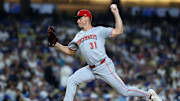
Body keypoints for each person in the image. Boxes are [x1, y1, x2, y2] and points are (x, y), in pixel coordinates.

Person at [47, 4, 162, 101]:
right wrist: (56, 44)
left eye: (79, 18)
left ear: (86, 18)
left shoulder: (99, 30)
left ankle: (149, 95)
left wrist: (116, 13)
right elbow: (70, 51)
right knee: (72, 80)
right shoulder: (78, 35)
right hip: (91, 68)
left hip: (104, 66)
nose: (77, 21)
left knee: (124, 91)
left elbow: (119, 31)